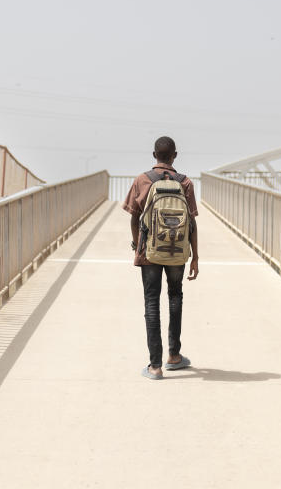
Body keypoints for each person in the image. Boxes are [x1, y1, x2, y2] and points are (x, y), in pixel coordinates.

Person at [122, 136, 200, 380]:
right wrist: (195, 256)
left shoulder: (142, 180)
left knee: (151, 301)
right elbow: (192, 223)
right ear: (175, 155)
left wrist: (138, 245)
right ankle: (174, 356)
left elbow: (134, 218)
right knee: (175, 296)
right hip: (177, 251)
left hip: (150, 251)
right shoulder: (185, 182)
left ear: (153, 154)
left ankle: (155, 367)